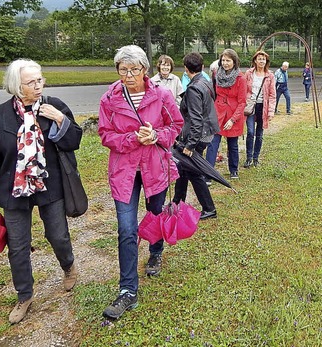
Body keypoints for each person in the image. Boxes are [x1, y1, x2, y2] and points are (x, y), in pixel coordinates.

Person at [0, 59, 82, 324]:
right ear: (16, 86)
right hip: (14, 188)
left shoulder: (53, 105)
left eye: (40, 79)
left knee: (57, 235)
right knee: (18, 246)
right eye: (31, 82)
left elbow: (74, 140)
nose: (38, 86)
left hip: (49, 184)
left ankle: (68, 266)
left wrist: (60, 119)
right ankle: (25, 294)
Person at [98, 45, 184, 319]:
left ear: (145, 70)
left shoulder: (161, 95)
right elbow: (105, 134)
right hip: (124, 172)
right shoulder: (109, 99)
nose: (129, 75)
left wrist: (156, 136)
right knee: (126, 228)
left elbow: (176, 125)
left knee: (155, 213)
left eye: (134, 70)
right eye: (123, 70)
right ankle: (127, 290)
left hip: (155, 168)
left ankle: (156, 251)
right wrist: (132, 138)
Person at [173, 52, 219, 221]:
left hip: (198, 135)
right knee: (183, 169)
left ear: (186, 69)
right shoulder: (205, 81)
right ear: (202, 66)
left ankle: (209, 208)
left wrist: (190, 145)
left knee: (193, 172)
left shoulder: (193, 88)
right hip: (204, 132)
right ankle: (177, 202)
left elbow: (196, 118)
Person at [206, 48, 246, 179]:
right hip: (218, 112)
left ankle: (234, 169)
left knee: (232, 144)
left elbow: (242, 102)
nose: (225, 63)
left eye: (228, 60)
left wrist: (233, 119)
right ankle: (208, 172)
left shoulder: (240, 78)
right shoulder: (216, 74)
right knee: (213, 143)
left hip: (234, 114)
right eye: (223, 60)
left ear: (234, 62)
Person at [244, 50, 276, 168]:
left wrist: (271, 111)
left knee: (259, 134)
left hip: (263, 106)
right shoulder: (248, 73)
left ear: (266, 61)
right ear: (255, 61)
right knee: (250, 132)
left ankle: (256, 157)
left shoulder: (270, 75)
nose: (261, 61)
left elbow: (273, 94)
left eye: (263, 59)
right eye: (259, 59)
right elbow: (243, 89)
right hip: (251, 106)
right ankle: (248, 157)